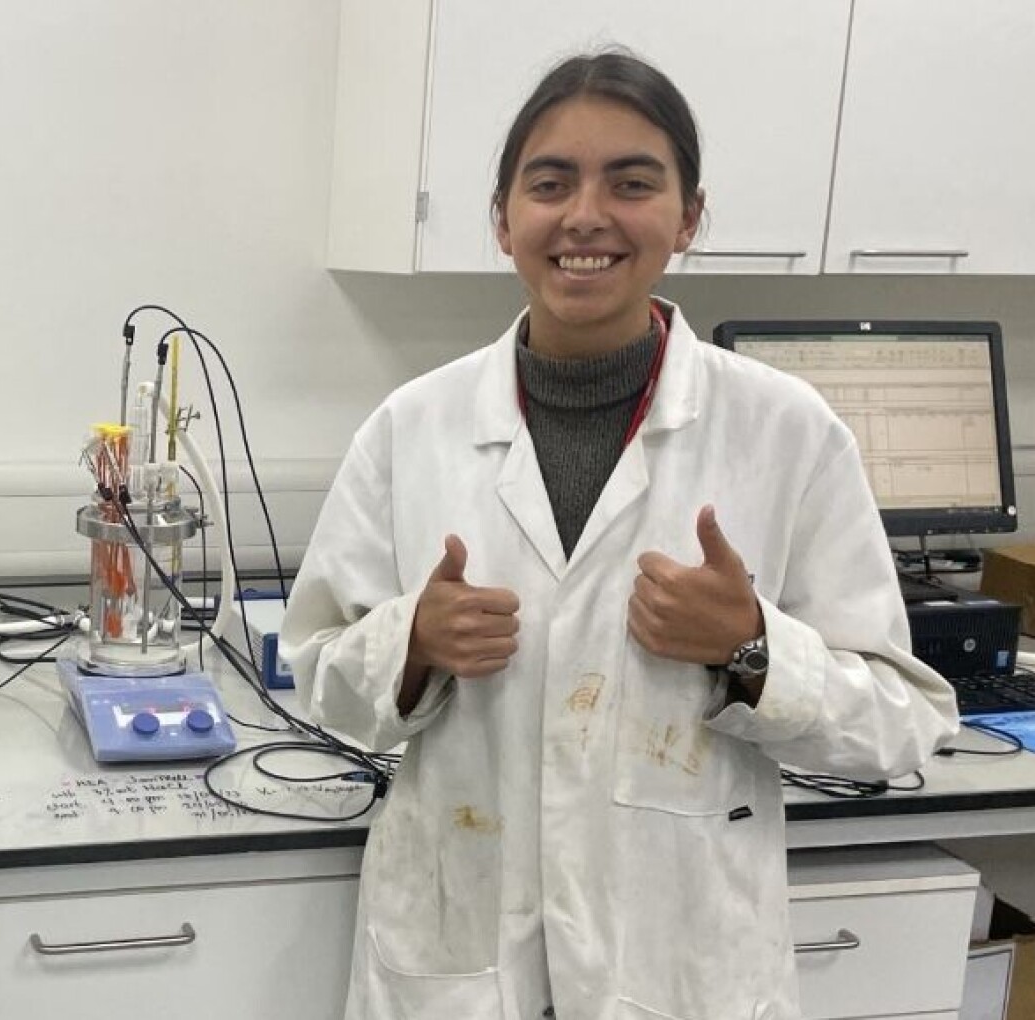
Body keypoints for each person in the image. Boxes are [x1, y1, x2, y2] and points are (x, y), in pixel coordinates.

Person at [281, 50, 957, 1019]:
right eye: (549, 183)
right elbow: (317, 675)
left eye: (631, 184)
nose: (585, 216)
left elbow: (904, 723)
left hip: (676, 970)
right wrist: (411, 646)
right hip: (462, 956)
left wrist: (751, 649)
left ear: (687, 218)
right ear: (502, 217)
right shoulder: (409, 430)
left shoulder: (787, 435)